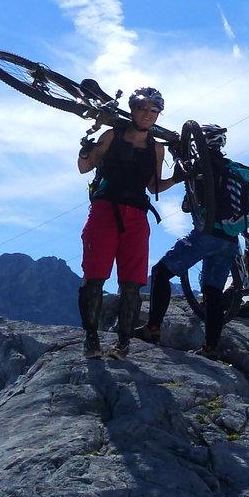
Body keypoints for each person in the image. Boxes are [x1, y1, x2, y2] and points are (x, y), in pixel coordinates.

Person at [143, 125, 249, 359]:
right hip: (230, 241)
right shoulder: (234, 168)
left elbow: (187, 202)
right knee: (212, 293)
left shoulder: (200, 165)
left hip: (206, 235)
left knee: (160, 272)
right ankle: (210, 348)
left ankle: (153, 328)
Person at [77, 86, 181, 358]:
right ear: (133, 110)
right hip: (104, 210)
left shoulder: (157, 149)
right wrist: (86, 150)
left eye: (154, 110)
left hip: (136, 215)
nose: (148, 114)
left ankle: (123, 344)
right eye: (143, 108)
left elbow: (153, 186)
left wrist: (179, 179)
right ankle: (91, 339)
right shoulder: (112, 135)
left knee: (132, 284)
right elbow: (84, 167)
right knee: (95, 277)